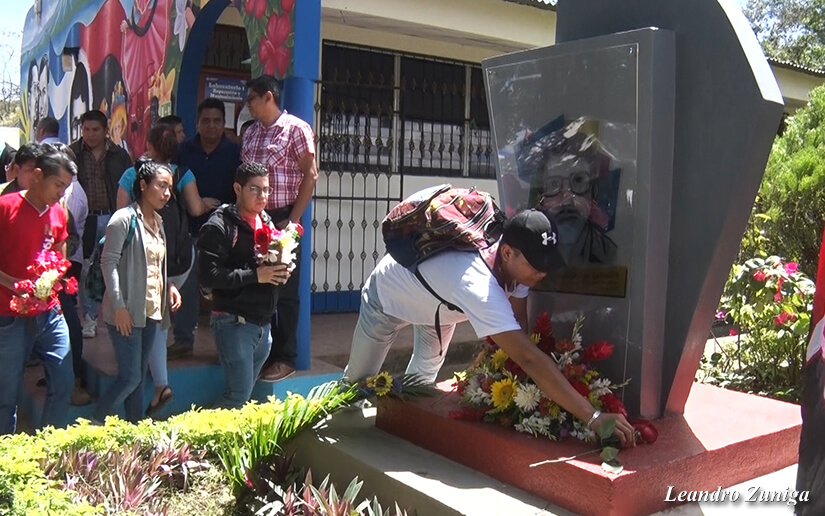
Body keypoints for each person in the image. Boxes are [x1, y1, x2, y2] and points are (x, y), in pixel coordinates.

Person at [343, 208, 636, 447]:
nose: (542, 273)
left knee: (421, 381)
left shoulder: (517, 267)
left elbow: (520, 330)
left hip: (439, 307)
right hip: (387, 299)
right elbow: (528, 358)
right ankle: (344, 444)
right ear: (507, 253)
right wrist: (593, 417)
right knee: (356, 386)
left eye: (547, 264)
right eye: (536, 266)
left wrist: (521, 381)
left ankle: (403, 434)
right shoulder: (477, 287)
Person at [116, 123, 218, 415]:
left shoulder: (132, 175)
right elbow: (196, 209)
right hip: (180, 258)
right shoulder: (182, 173)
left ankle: (159, 382)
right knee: (160, 317)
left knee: (152, 319)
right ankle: (165, 371)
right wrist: (208, 203)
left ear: (147, 145)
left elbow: (120, 212)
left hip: (145, 257)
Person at [242, 74, 318, 382]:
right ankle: (263, 353)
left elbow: (310, 175)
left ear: (268, 97)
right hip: (255, 219)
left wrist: (294, 220)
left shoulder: (296, 129)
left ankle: (286, 357)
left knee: (285, 288)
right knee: (259, 284)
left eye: (251, 99)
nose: (248, 105)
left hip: (283, 216)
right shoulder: (250, 132)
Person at [93, 160, 181, 424]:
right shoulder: (123, 219)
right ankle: (94, 424)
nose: (167, 193)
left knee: (138, 378)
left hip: (151, 311)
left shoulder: (158, 221)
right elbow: (108, 263)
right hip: (127, 312)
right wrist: (119, 307)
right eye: (161, 186)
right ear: (143, 185)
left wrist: (169, 286)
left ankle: (134, 429)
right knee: (130, 378)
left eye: (170, 188)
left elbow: (154, 264)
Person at [198, 162, 290, 409]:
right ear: (238, 188)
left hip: (263, 324)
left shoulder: (267, 221)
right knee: (237, 397)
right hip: (234, 323)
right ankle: (196, 432)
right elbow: (208, 276)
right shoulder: (220, 224)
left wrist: (281, 271)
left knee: (242, 396)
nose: (263, 196)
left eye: (267, 189)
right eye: (255, 189)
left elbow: (267, 268)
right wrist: (255, 276)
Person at [0, 147, 76, 434]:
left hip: (50, 312)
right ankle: (8, 452)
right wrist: (15, 285)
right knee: (6, 394)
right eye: (58, 185)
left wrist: (53, 277)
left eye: (66, 187)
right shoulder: (5, 207)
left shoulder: (58, 212)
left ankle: (49, 446)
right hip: (9, 315)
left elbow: (61, 252)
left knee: (64, 381)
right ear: (38, 175)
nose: (62, 192)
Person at [167, 98, 241, 359]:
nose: (212, 126)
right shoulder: (183, 151)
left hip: (224, 230)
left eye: (217, 121)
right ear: (197, 123)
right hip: (188, 229)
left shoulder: (234, 153)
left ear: (224, 123)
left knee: (224, 287)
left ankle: (225, 346)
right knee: (187, 285)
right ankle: (184, 339)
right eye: (206, 121)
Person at [69, 109, 132, 339]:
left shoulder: (119, 155)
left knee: (111, 266)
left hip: (112, 216)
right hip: (84, 219)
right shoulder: (73, 153)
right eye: (86, 129)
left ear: (106, 131)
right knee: (87, 268)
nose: (90, 134)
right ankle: (89, 318)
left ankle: (117, 314)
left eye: (95, 129)